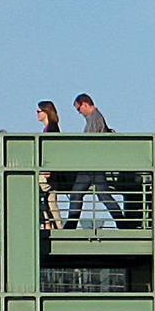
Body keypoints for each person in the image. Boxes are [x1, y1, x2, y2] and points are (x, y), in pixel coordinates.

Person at [62, 95, 126, 229]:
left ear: (85, 104)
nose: (79, 112)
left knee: (81, 194)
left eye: (78, 108)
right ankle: (121, 222)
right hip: (93, 164)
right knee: (100, 194)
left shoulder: (95, 118)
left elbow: (90, 143)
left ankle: (71, 224)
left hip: (92, 165)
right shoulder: (95, 118)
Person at [35, 101, 65, 229]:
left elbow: (52, 152)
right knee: (50, 200)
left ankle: (50, 224)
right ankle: (54, 225)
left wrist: (48, 170)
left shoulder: (52, 129)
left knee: (36, 187)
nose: (37, 114)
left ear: (46, 112)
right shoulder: (50, 128)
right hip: (51, 172)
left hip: (50, 173)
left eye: (38, 111)